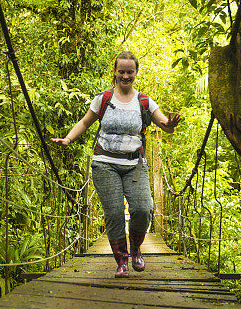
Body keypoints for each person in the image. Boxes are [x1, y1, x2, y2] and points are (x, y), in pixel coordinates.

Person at [51, 51, 182, 277]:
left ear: (136, 73)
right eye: (121, 71)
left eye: (129, 72)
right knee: (114, 213)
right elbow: (85, 122)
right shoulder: (103, 99)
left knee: (143, 209)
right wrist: (68, 138)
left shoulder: (145, 102)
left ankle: (136, 249)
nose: (125, 76)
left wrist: (170, 124)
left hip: (135, 165)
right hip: (105, 163)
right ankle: (122, 260)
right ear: (115, 71)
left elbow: (164, 124)